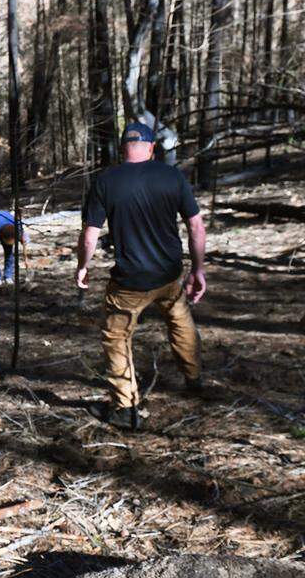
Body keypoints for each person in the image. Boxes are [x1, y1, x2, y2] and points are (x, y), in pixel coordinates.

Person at [75, 122, 207, 430]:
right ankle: (194, 379)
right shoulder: (172, 176)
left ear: (123, 150)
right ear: (151, 148)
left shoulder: (106, 181)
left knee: (116, 337)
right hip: (168, 277)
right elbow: (196, 227)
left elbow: (89, 235)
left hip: (129, 282)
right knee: (180, 321)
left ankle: (126, 407)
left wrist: (83, 265)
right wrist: (198, 269)